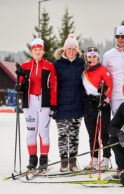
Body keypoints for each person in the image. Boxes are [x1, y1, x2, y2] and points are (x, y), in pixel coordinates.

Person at [15, 38, 57, 171]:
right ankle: (32, 159)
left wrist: (53, 104)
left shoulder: (49, 66)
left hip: (44, 103)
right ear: (32, 51)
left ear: (43, 51)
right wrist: (18, 85)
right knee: (31, 131)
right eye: (35, 50)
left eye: (40, 50)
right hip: (30, 102)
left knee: (43, 132)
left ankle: (43, 160)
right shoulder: (25, 66)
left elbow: (54, 86)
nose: (37, 52)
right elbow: (21, 85)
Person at [53, 34, 84, 172]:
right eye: (69, 48)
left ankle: (73, 161)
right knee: (63, 135)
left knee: (74, 135)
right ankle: (64, 162)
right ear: (64, 49)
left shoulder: (81, 63)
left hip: (77, 104)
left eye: (73, 49)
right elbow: (52, 85)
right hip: (61, 105)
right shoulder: (57, 64)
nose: (71, 51)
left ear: (77, 50)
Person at [82, 47, 113, 170]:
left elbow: (110, 87)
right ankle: (94, 160)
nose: (92, 59)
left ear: (98, 57)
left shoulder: (104, 71)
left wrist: (105, 100)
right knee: (92, 134)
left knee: (104, 133)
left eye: (94, 57)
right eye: (89, 57)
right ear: (86, 58)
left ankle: (106, 160)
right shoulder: (84, 72)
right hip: (88, 104)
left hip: (101, 103)